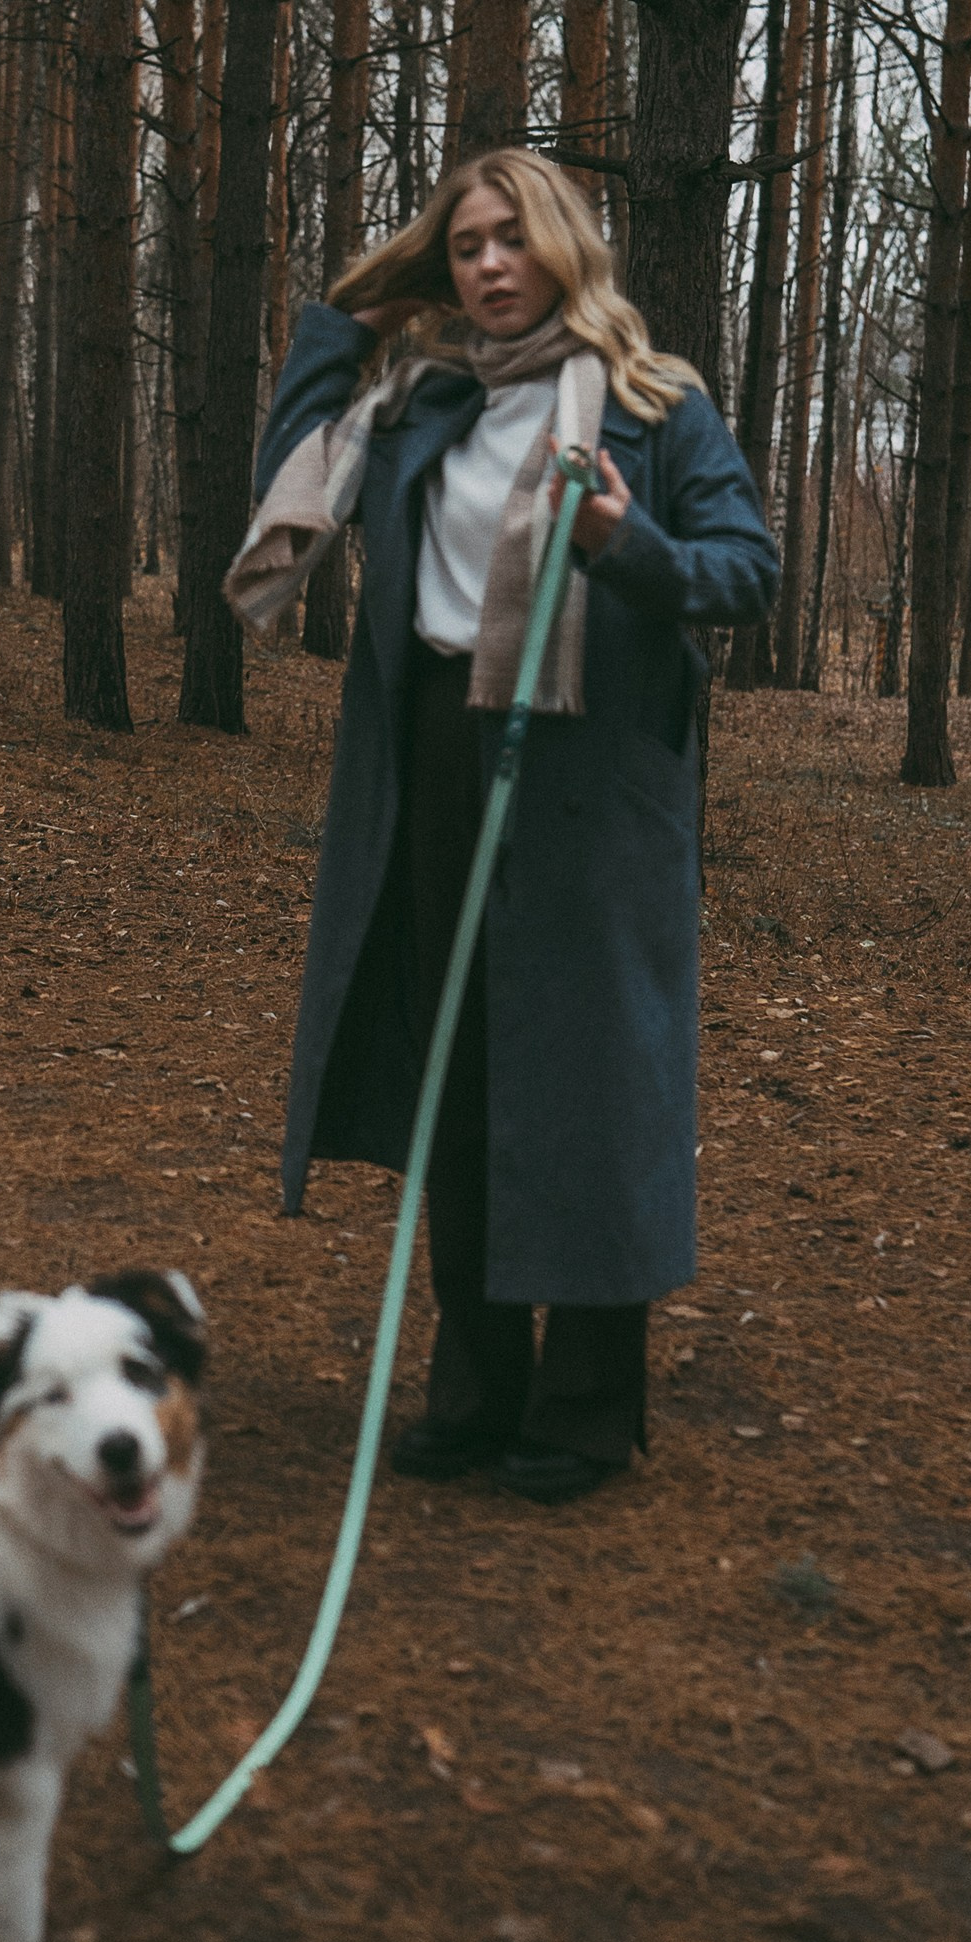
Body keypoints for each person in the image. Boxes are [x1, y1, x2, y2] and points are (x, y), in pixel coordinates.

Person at [226, 151, 777, 1503]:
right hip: (437, 759)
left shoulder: (657, 403)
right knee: (455, 1072)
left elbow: (746, 572)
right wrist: (363, 299)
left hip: (592, 779)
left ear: (562, 249)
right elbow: (287, 454)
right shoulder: (419, 399)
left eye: (509, 239)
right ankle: (477, 1387)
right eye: (464, 243)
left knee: (591, 1084)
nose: (486, 264)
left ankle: (587, 1411)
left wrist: (623, 542)